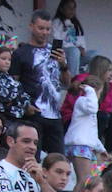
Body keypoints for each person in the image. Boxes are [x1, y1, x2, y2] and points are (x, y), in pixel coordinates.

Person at [9, 10, 68, 154]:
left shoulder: (56, 52)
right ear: (31, 26)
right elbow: (13, 83)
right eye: (41, 28)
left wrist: (64, 65)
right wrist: (25, 105)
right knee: (31, 158)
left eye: (48, 29)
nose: (45, 32)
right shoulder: (20, 53)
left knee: (58, 159)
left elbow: (67, 82)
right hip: (33, 114)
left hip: (54, 114)